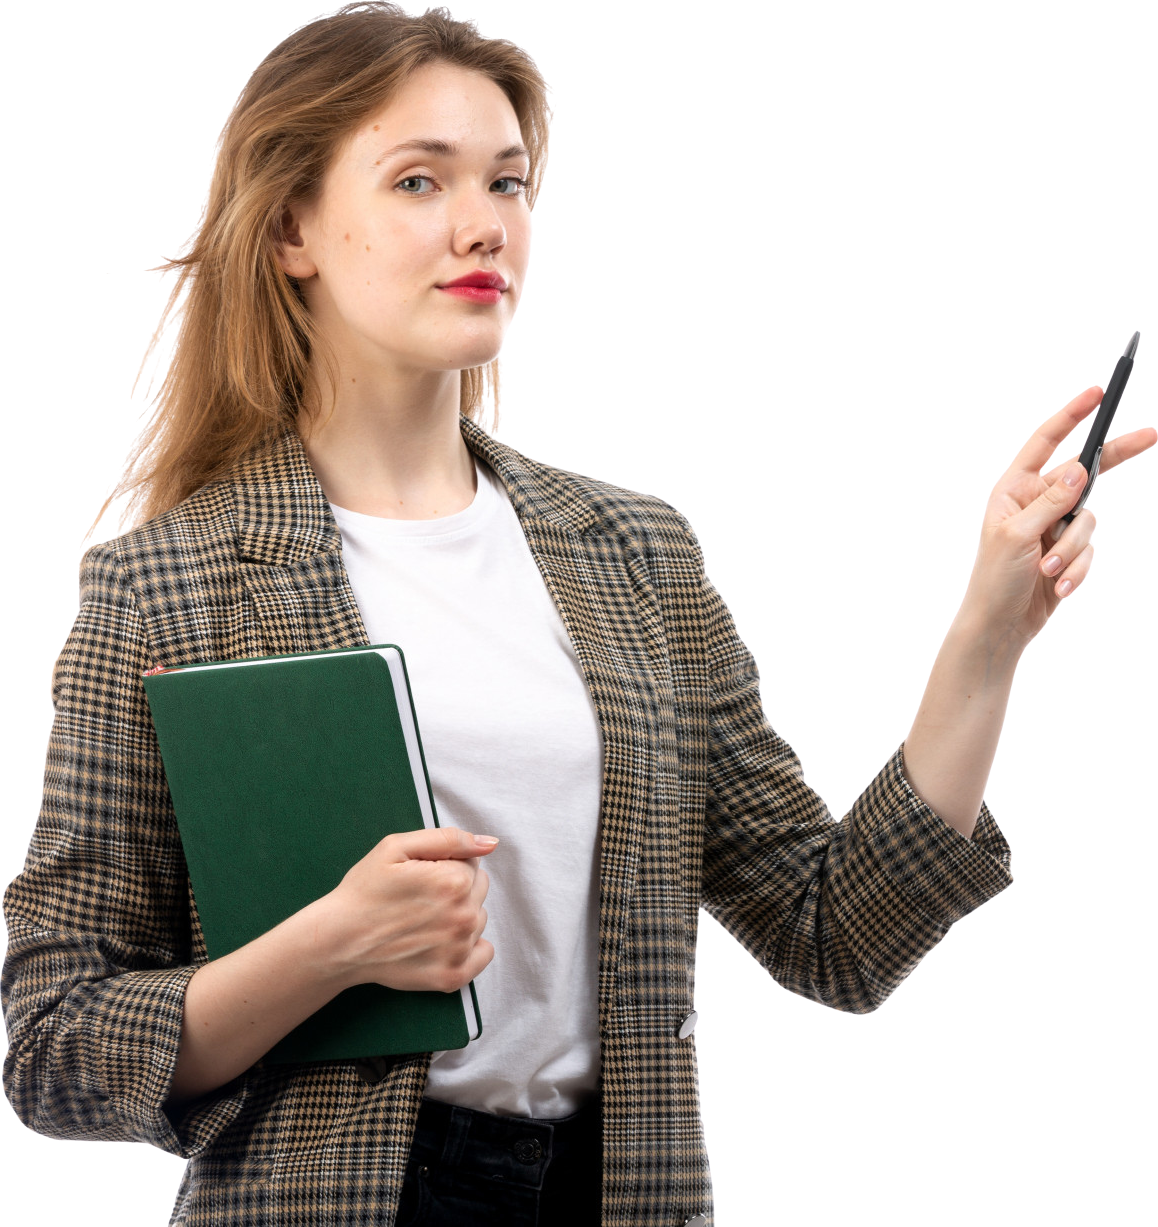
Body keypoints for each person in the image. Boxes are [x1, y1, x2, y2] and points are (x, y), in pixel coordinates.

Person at [2, 7, 1155, 1227]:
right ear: (292, 230)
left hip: (611, 1191)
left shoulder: (633, 560)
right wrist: (328, 947)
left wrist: (987, 628)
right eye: (418, 181)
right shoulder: (173, 581)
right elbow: (47, 1039)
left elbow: (837, 935)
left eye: (506, 181)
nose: (483, 224)